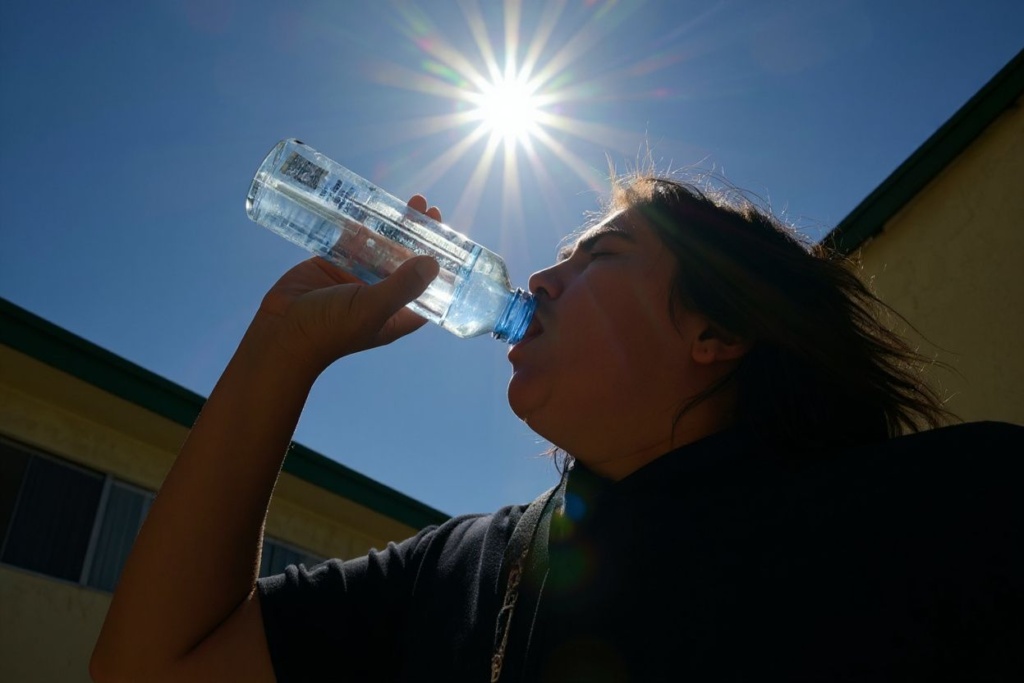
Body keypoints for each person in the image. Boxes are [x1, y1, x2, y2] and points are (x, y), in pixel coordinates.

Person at [90, 175, 1023, 682]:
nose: (538, 279)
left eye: (602, 255)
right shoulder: (458, 572)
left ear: (719, 330)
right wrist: (280, 351)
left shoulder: (944, 511)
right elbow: (148, 670)